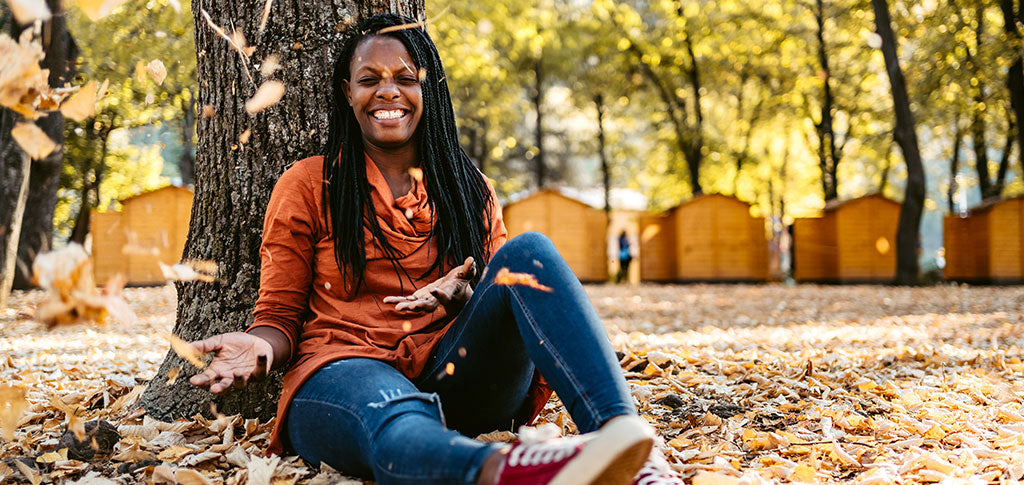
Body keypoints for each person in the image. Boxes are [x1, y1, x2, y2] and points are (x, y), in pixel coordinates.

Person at [187, 14, 681, 485]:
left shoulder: (471, 190)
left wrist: (466, 297)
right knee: (396, 420)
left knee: (529, 253)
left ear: (429, 89)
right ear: (347, 93)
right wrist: (259, 346)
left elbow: (503, 305)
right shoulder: (308, 184)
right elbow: (279, 317)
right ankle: (509, 471)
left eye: (406, 77)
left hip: (457, 369)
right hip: (344, 373)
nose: (387, 91)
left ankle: (631, 449)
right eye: (368, 79)